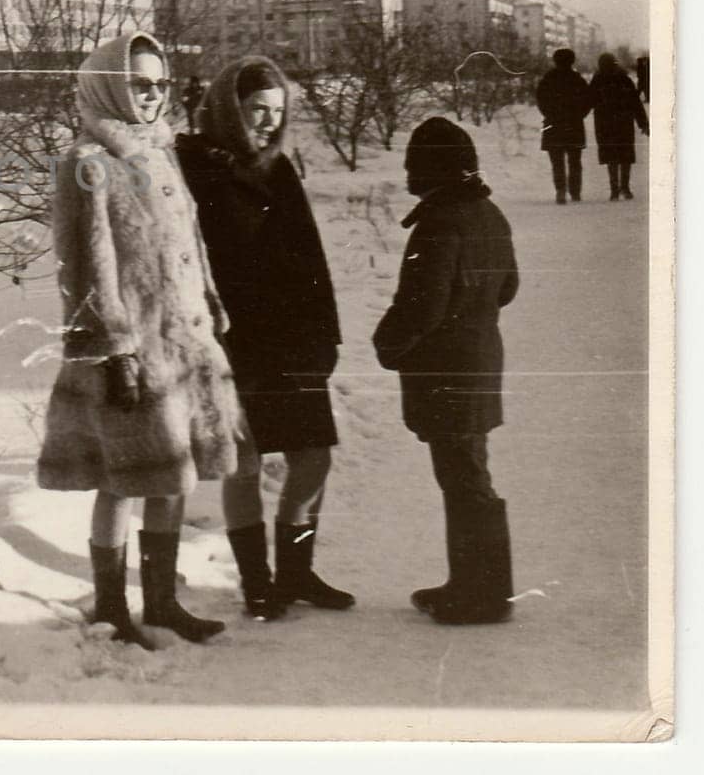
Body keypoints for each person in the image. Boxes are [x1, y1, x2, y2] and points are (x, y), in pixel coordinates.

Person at [37, 32, 241, 648]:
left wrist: (208, 297)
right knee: (118, 481)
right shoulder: (87, 163)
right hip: (125, 352)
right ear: (108, 86)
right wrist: (112, 350)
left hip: (180, 345)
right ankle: (109, 607)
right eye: (138, 85)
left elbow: (188, 242)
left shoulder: (159, 153)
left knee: (172, 474)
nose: (152, 97)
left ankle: (161, 602)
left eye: (160, 85)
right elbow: (83, 268)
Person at [177, 56, 352, 621]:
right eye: (258, 109)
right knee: (245, 463)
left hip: (293, 335)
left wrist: (326, 333)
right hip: (232, 339)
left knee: (313, 457)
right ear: (231, 107)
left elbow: (311, 254)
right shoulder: (193, 166)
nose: (269, 123)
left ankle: (295, 576)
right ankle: (257, 582)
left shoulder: (279, 169)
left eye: (278, 113)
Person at [373, 117, 520, 625]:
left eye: (414, 163)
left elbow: (422, 306)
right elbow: (508, 288)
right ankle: (477, 585)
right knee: (470, 472)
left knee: (462, 478)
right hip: (480, 364)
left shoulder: (439, 221)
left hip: (447, 372)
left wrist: (387, 343)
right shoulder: (488, 212)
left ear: (428, 169)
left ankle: (480, 594)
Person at [535, 48, 593, 204]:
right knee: (575, 160)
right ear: (572, 61)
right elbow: (588, 100)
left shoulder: (548, 79)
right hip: (573, 124)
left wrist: (549, 114)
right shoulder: (577, 79)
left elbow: (540, 99)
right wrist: (579, 115)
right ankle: (575, 192)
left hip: (553, 124)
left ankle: (560, 190)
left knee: (557, 161)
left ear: (555, 61)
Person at [590, 53, 650, 200]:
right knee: (625, 155)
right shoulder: (624, 79)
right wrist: (643, 123)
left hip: (605, 123)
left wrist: (576, 115)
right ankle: (625, 187)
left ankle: (615, 189)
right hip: (624, 122)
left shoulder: (598, 80)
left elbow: (588, 100)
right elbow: (636, 104)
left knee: (611, 156)